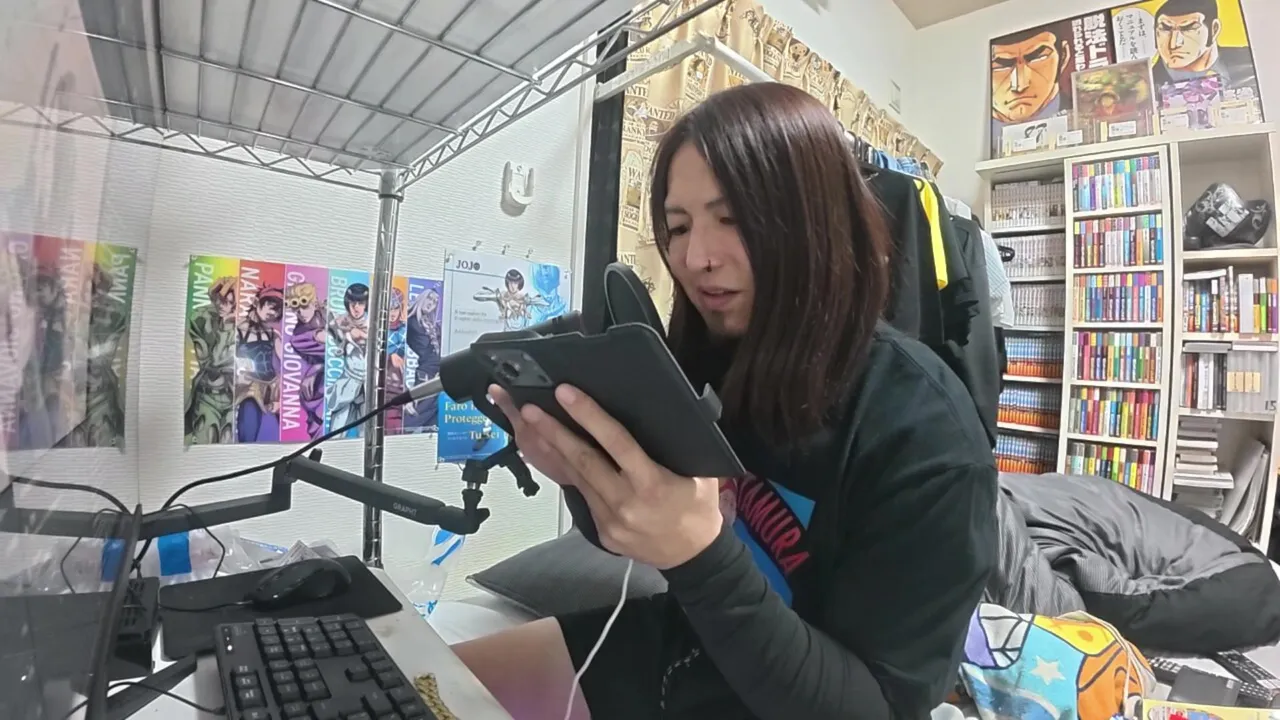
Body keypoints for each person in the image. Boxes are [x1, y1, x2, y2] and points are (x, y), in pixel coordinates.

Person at [453, 82, 999, 720]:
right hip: (690, 646)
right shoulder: (710, 352)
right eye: (679, 226)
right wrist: (582, 472)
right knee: (422, 684)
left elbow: (875, 709)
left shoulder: (928, 436)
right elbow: (629, 538)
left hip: (805, 696)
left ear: (817, 221)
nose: (696, 258)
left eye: (732, 219)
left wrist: (701, 557)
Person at [990, 25, 1070, 152]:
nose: (1020, 86)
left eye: (1038, 58)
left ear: (1063, 56)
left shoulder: (1085, 117)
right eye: (999, 67)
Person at [1151, 0, 1257, 91]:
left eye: (1188, 28)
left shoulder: (1249, 60)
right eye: (1165, 29)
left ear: (1214, 29)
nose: (1174, 44)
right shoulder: (1148, 84)